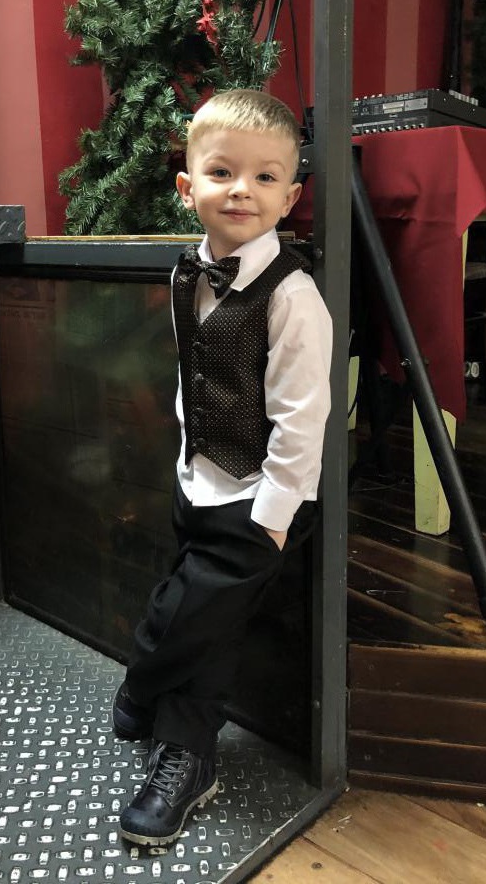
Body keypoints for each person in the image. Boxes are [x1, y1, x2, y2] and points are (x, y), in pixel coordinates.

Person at [113, 88, 333, 847]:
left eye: (266, 177)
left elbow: (303, 418)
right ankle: (190, 754)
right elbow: (195, 376)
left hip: (260, 498)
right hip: (199, 480)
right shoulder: (188, 273)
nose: (242, 190)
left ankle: (147, 692)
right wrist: (187, 458)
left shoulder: (294, 297)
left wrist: (270, 519)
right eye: (222, 172)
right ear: (188, 186)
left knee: (183, 620)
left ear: (290, 197)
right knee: (209, 622)